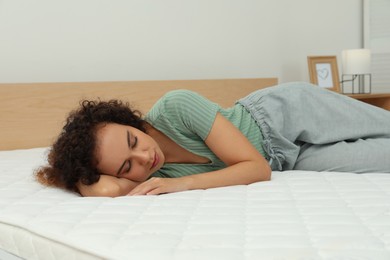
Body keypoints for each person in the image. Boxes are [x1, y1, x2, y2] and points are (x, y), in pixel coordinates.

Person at [35, 82, 390, 197]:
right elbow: (105, 190)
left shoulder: (176, 106)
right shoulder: (141, 180)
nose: (144, 158)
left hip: (285, 114)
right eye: (127, 165)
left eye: (133, 141)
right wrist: (75, 175)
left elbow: (255, 168)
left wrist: (181, 185)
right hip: (287, 160)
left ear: (129, 122)